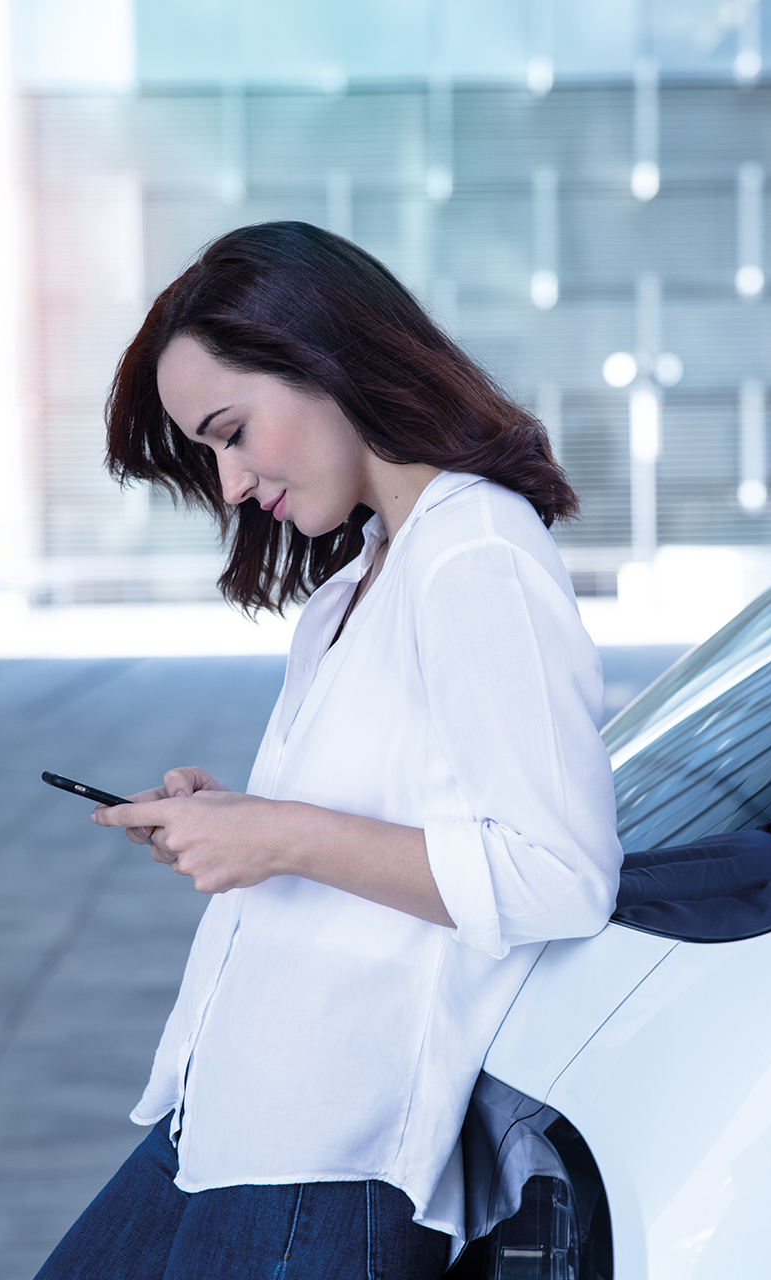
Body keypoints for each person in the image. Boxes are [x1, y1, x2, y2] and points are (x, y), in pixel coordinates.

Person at [34, 221, 623, 1279]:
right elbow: (390, 815)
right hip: (226, 1116)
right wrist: (236, 822)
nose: (228, 484)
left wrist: (280, 834)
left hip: (323, 1162)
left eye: (230, 432)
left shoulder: (476, 553)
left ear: (323, 358)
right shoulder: (361, 575)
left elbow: (558, 872)